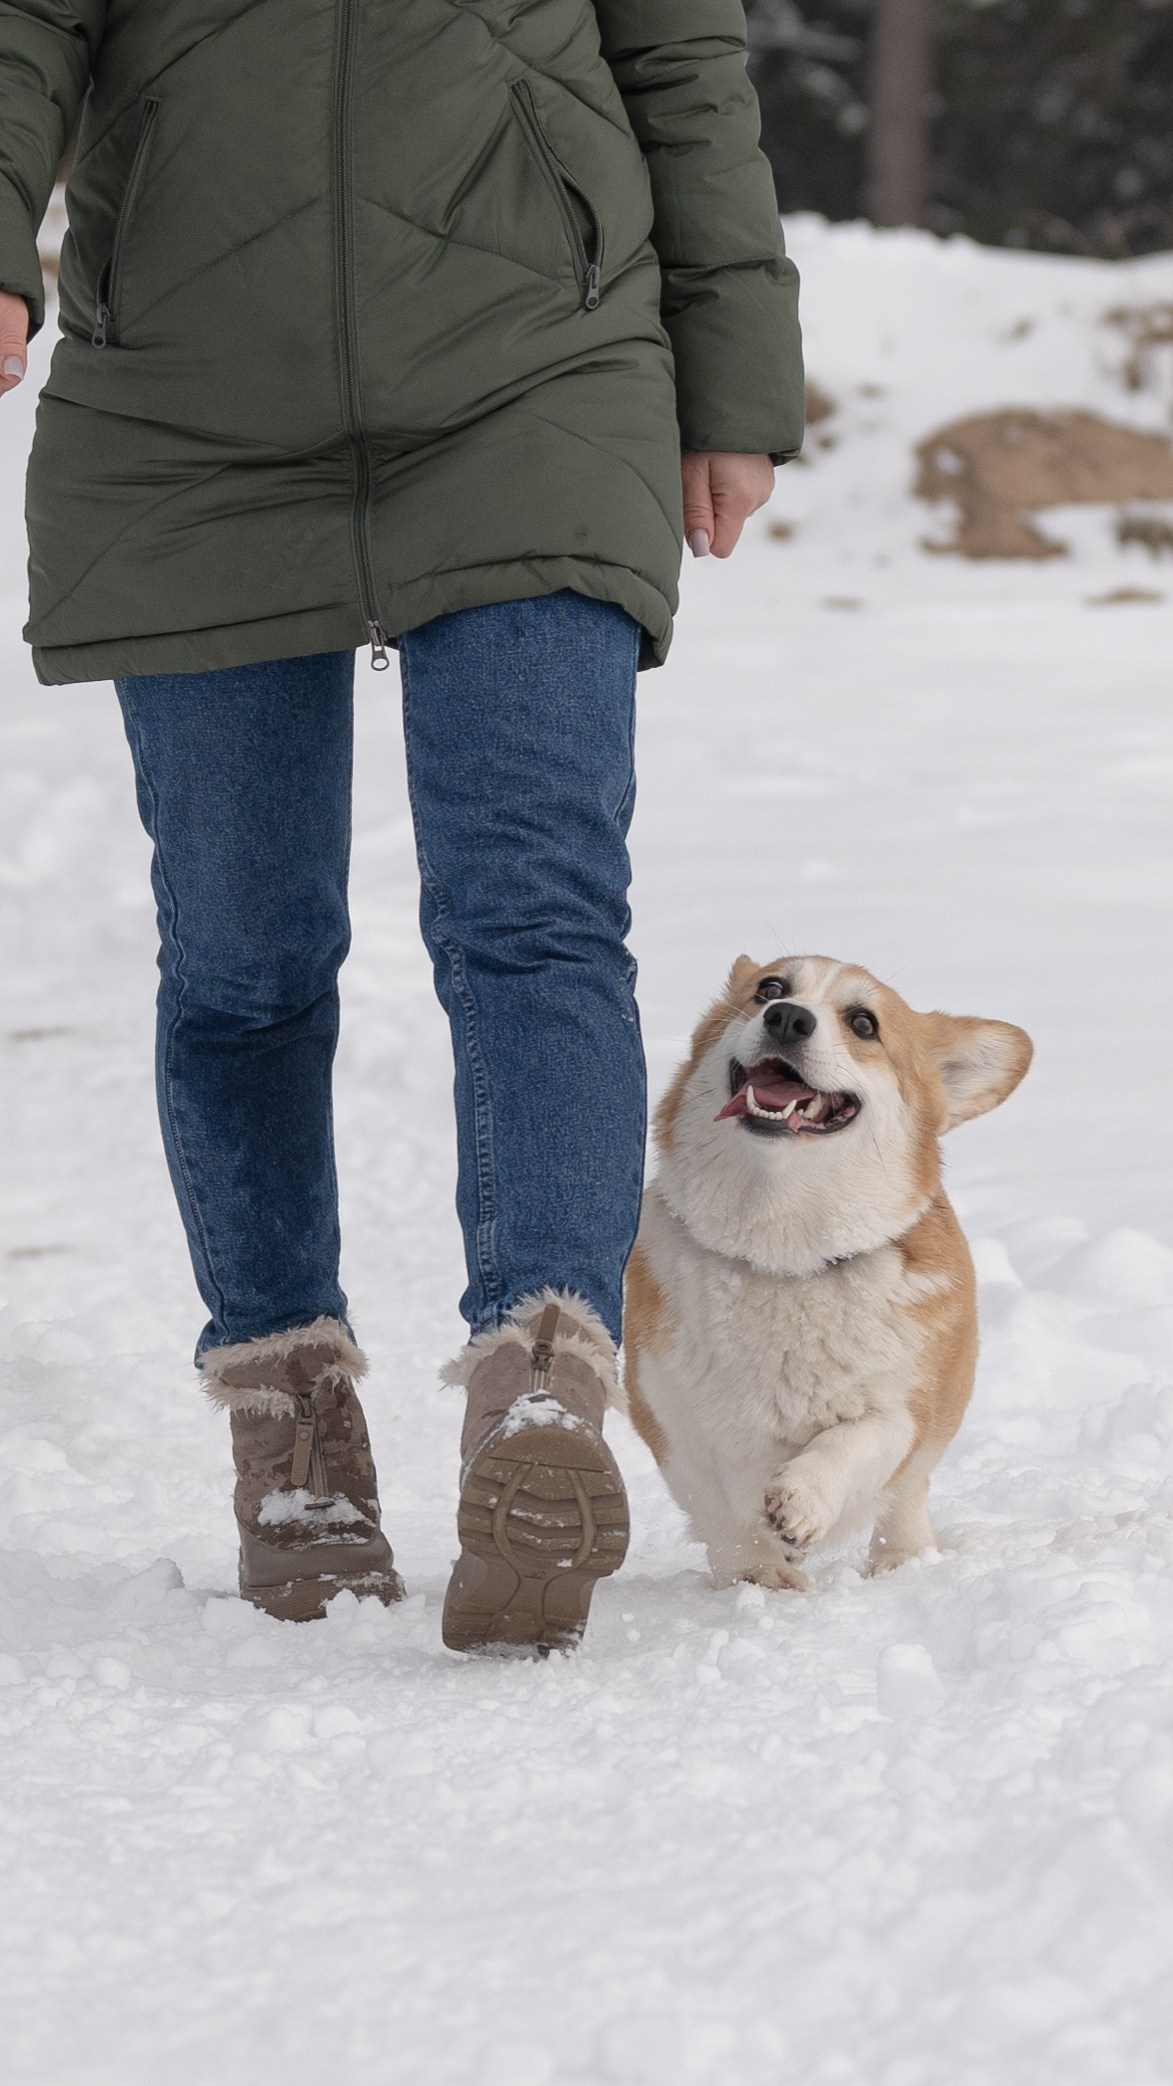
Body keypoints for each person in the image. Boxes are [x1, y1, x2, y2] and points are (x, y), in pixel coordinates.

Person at [0, 0, 803, 1653]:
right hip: (191, 406)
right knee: (241, 957)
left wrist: (732, 370)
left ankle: (542, 1381)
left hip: (534, 372)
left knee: (537, 911)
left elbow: (677, 62)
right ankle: (287, 1404)